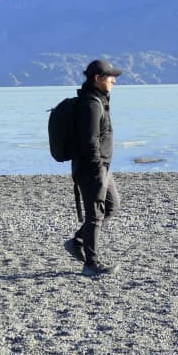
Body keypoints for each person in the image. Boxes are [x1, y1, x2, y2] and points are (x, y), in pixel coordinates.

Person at [66, 59, 123, 276]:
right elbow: (89, 141)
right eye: (110, 77)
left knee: (112, 206)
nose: (114, 80)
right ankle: (91, 265)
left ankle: (77, 241)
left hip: (102, 167)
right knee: (95, 215)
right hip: (92, 169)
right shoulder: (91, 104)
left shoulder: (99, 100)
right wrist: (98, 168)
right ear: (97, 79)